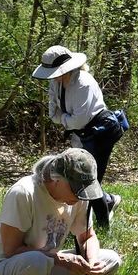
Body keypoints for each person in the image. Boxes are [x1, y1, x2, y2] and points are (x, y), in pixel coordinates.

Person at [32, 45, 128, 228]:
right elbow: (54, 114)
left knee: (90, 180)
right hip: (81, 134)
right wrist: (66, 119)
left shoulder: (84, 82)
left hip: (101, 132)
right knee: (77, 177)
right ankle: (107, 202)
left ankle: (101, 224)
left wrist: (64, 118)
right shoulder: (55, 82)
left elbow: (78, 119)